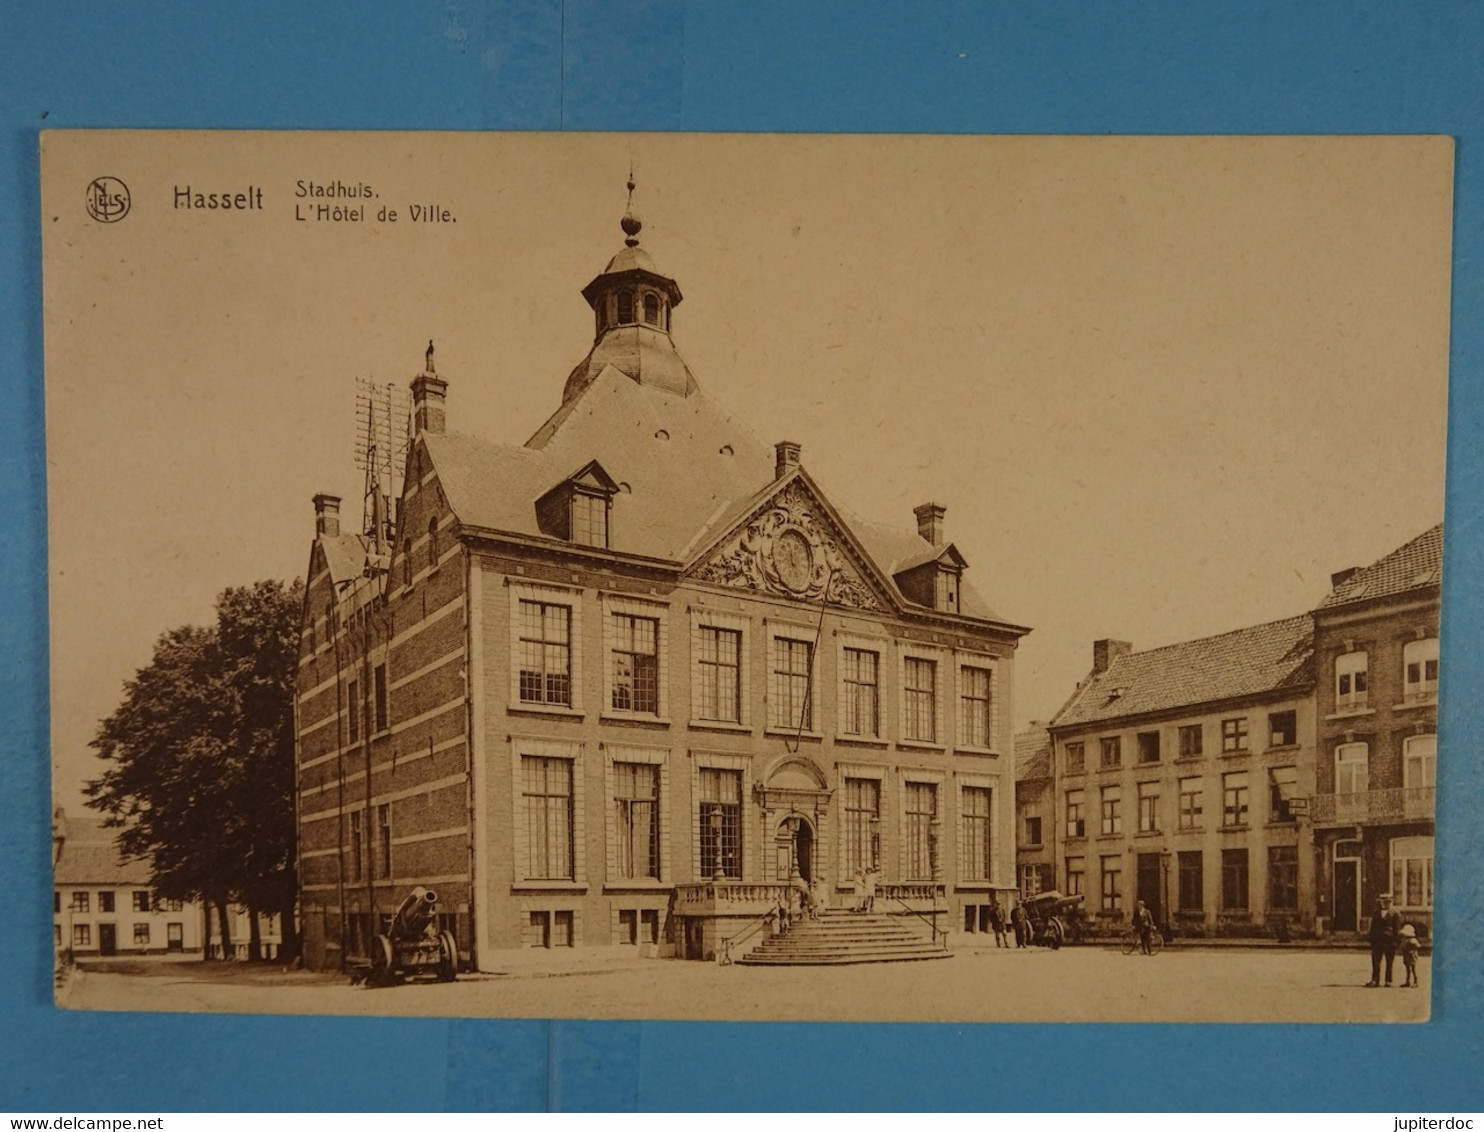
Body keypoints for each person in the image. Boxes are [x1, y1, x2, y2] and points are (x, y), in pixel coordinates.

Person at [1366, 892, 1402, 986]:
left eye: (1388, 901)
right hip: (1377, 941)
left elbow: (1397, 929)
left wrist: (1396, 942)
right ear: (1380, 902)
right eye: (1384, 901)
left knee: (1389, 962)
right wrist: (1371, 940)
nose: (1386, 903)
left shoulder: (1395, 913)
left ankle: (1388, 981)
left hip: (1389, 942)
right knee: (1376, 961)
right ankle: (1375, 980)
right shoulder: (1376, 912)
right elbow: (1373, 927)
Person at [1398, 923, 1421, 988]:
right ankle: (1408, 981)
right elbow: (1401, 947)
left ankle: (1415, 981)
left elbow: (1418, 946)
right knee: (1408, 968)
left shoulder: (1412, 940)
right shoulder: (1404, 940)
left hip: (1411, 955)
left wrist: (1413, 949)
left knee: (1413, 969)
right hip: (1406, 955)